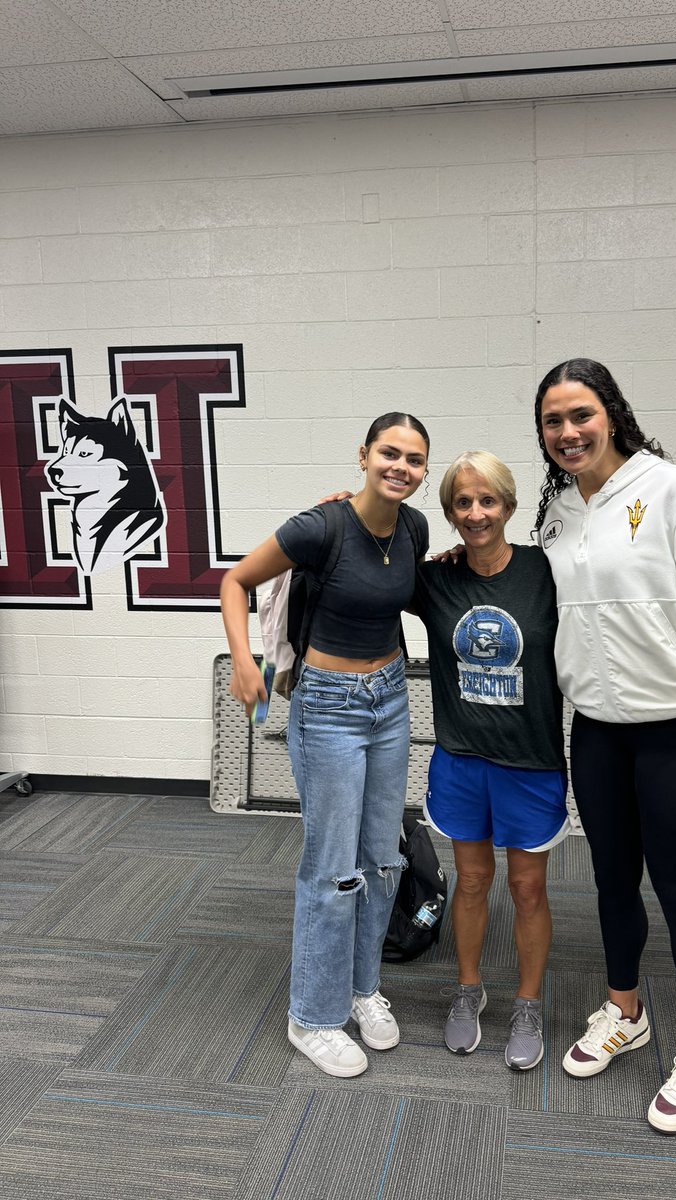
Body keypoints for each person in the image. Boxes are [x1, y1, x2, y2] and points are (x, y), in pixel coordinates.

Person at [533, 359, 676, 1133]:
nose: (568, 432)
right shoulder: (558, 513)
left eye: (581, 414)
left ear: (613, 414)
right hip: (596, 732)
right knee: (611, 884)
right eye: (553, 421)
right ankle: (625, 1011)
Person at [220, 413, 430, 1079]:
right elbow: (235, 581)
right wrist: (245, 663)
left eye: (415, 459)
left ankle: (363, 989)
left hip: (391, 700)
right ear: (364, 455)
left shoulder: (415, 528)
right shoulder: (322, 526)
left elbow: (408, 594)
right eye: (389, 453)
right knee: (332, 869)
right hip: (330, 709)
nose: (401, 467)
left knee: (383, 860)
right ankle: (312, 1015)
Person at [415, 451, 569, 1071]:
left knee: (527, 886)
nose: (475, 513)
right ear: (450, 513)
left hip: (529, 762)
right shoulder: (436, 580)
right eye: (462, 503)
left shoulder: (546, 572)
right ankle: (468, 988)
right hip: (461, 761)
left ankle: (528, 1001)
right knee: (472, 880)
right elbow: (365, 561)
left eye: (487, 501)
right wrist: (340, 507)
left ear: (507, 506)